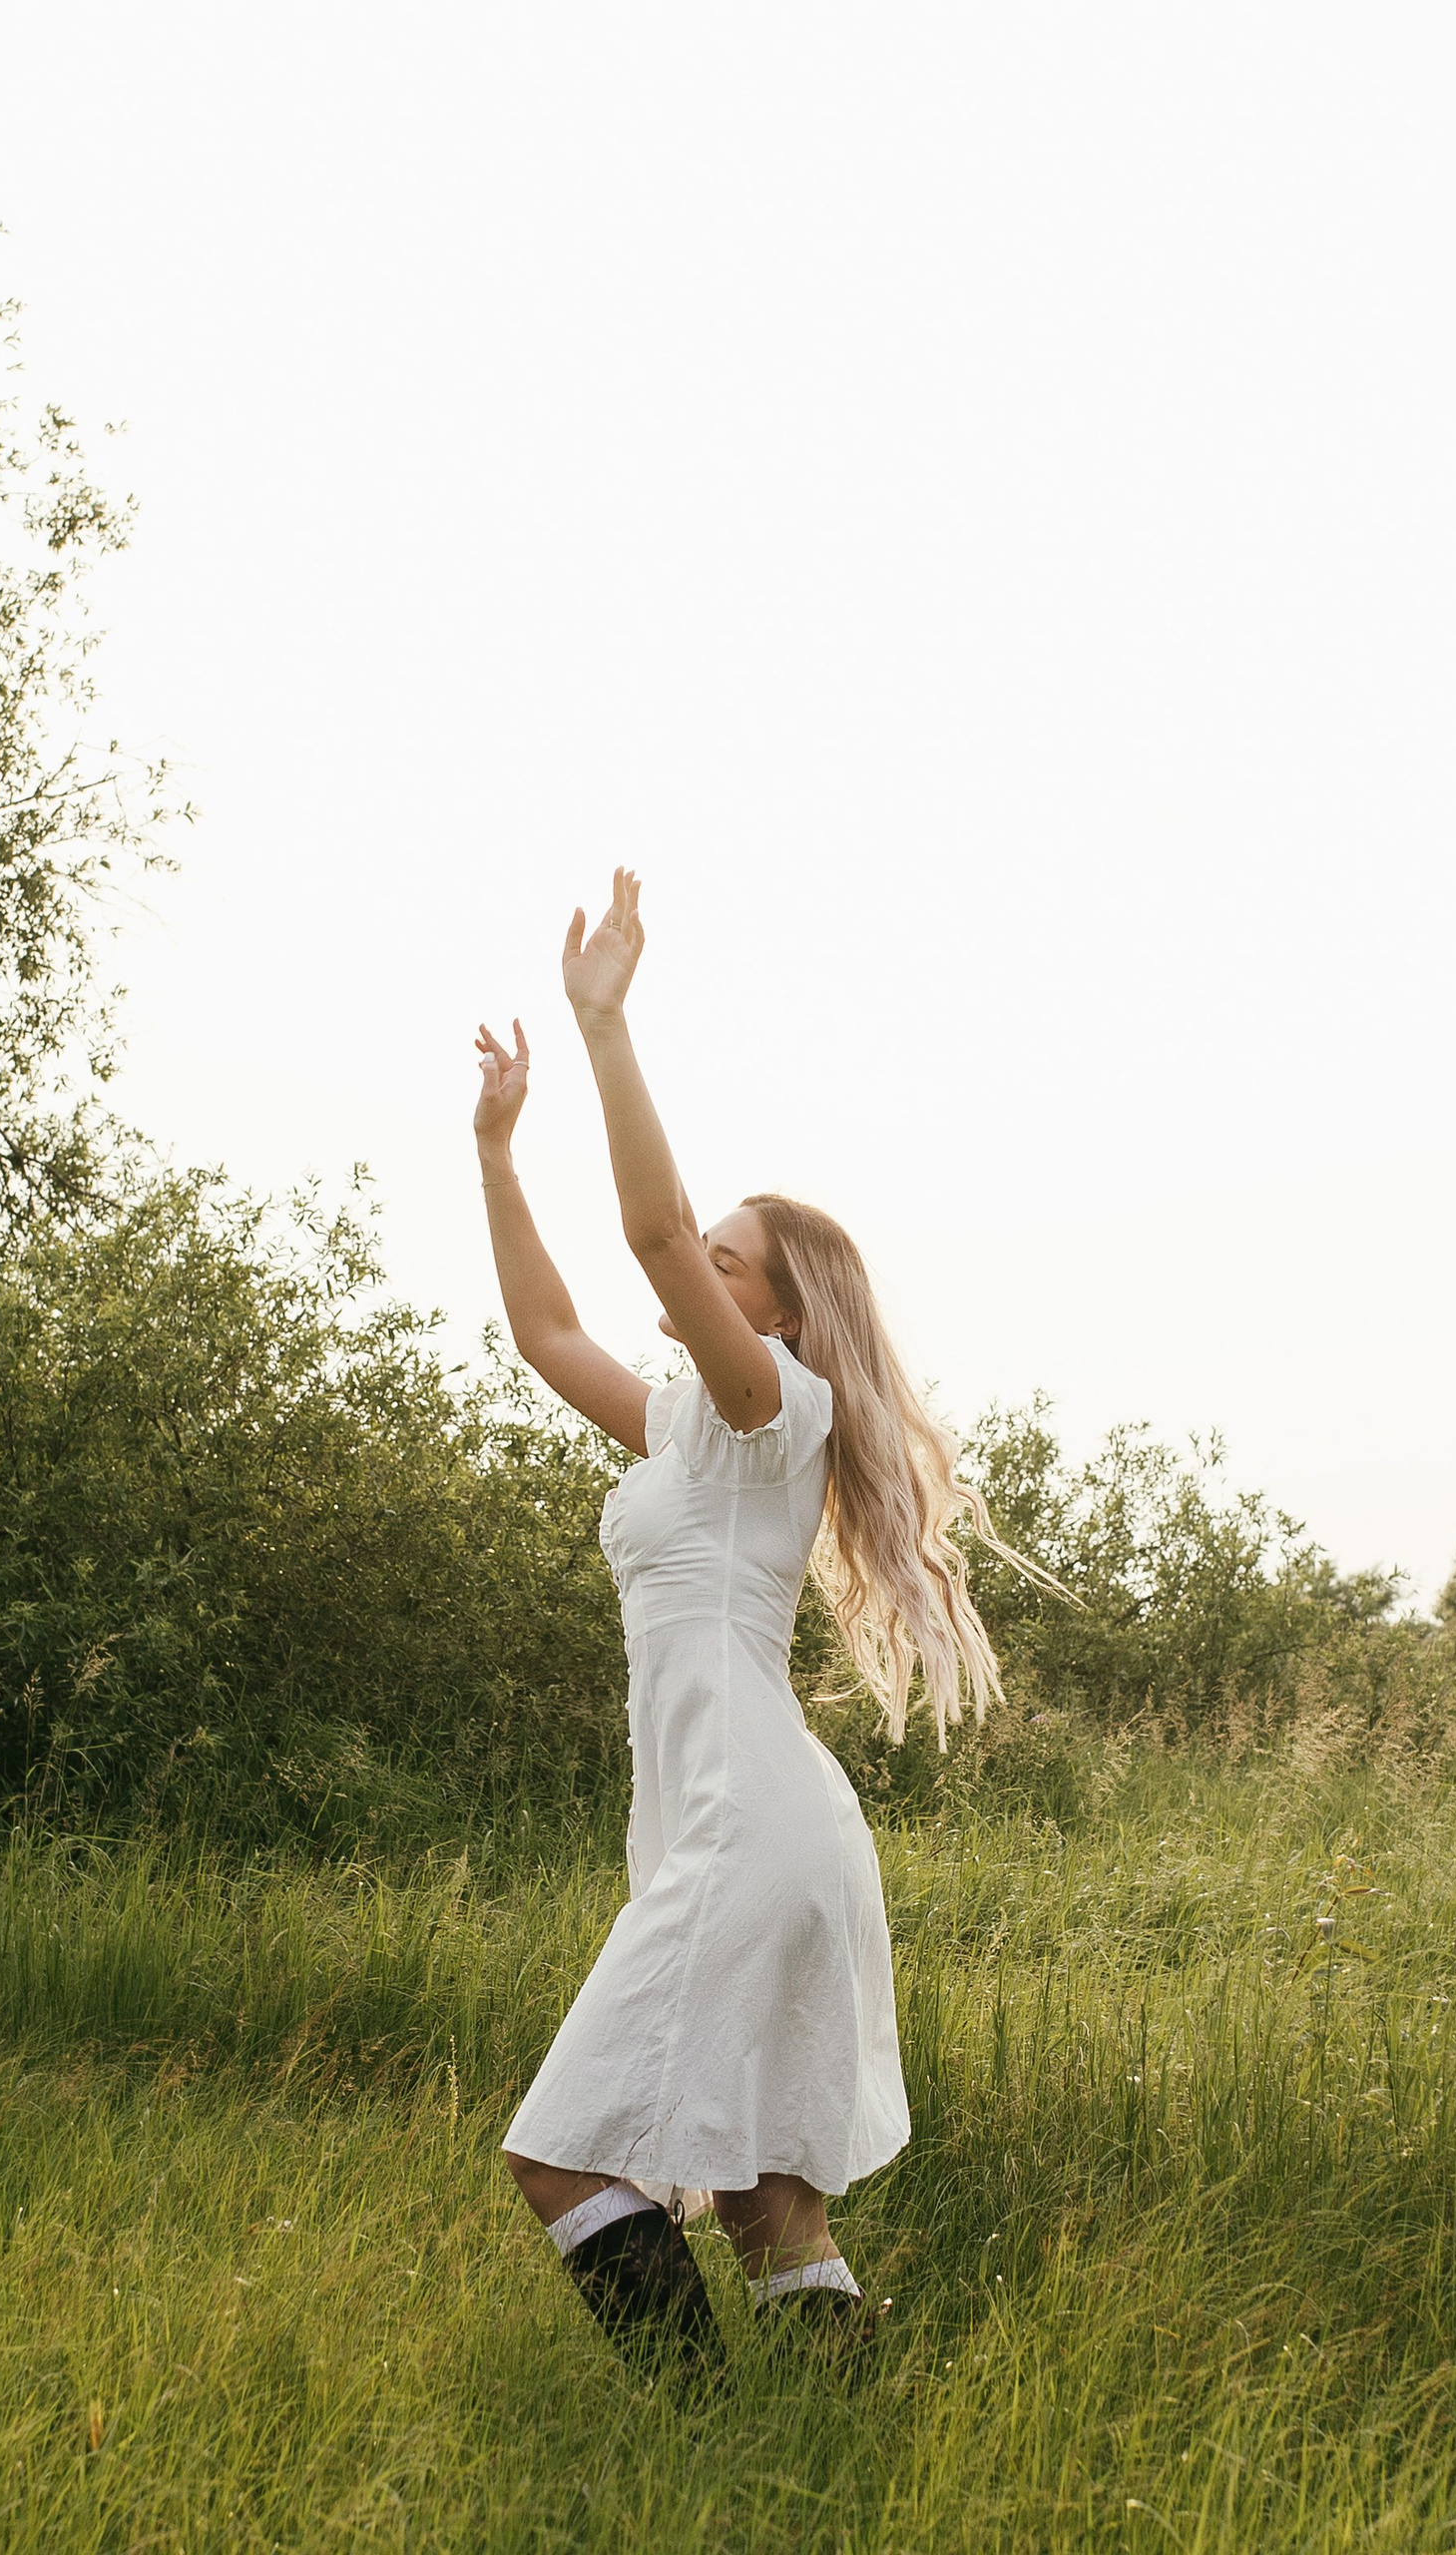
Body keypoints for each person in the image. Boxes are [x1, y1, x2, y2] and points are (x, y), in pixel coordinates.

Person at [475, 870, 1049, 2373]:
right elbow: (546, 1331)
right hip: (745, 1820)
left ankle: (699, 2439)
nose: (700, 1266)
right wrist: (496, 1151)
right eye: (711, 1256)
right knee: (763, 2201)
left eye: (732, 1264)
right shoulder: (690, 1429)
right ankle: (827, 2436)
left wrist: (606, 1029)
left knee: (559, 2155)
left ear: (779, 1316)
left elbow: (654, 1228)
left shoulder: (770, 1404)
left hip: (748, 1821)